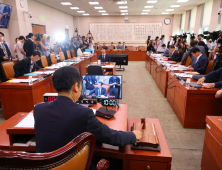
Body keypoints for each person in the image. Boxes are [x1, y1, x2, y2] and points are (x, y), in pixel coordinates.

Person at [34, 66, 141, 153]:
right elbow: (110, 137)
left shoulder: (38, 109)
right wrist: (133, 135)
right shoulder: (84, 114)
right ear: (75, 87)